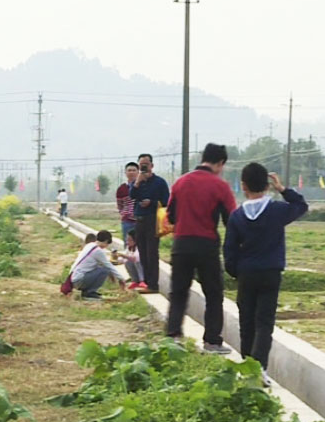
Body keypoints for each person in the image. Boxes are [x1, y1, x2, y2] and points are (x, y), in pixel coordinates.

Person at [223, 163, 308, 386]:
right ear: (268, 186)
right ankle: (260, 367)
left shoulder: (237, 216)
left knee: (246, 321)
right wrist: (283, 189)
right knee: (264, 323)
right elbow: (300, 205)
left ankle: (247, 366)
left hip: (247, 274)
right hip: (271, 273)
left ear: (243, 186)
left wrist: (235, 271)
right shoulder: (277, 210)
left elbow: (229, 251)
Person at [165, 143, 238, 354]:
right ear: (220, 163)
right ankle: (212, 342)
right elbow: (231, 220)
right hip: (207, 245)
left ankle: (173, 337)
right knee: (213, 294)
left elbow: (171, 216)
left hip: (181, 244)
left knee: (178, 292)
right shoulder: (220, 186)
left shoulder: (181, 182)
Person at [129, 153, 169, 293]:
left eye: (146, 164)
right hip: (139, 220)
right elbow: (132, 195)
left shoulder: (159, 182)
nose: (144, 167)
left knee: (152, 253)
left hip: (153, 220)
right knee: (143, 253)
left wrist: (151, 203)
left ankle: (153, 284)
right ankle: (145, 282)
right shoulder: (137, 182)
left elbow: (166, 201)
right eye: (141, 165)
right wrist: (138, 182)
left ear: (152, 165)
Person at [70, 229, 126, 300]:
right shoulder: (98, 251)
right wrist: (121, 279)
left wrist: (113, 277)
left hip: (74, 278)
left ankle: (87, 291)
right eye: (107, 244)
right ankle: (89, 293)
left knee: (101, 268)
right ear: (106, 241)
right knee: (105, 270)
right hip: (79, 280)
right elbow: (109, 266)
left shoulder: (90, 245)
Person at [116, 162, 140, 243]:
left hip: (140, 220)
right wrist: (125, 214)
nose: (131, 172)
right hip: (127, 221)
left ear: (138, 172)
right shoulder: (122, 188)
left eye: (134, 170)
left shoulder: (143, 186)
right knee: (128, 243)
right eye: (129, 170)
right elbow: (120, 205)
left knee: (141, 244)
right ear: (125, 173)